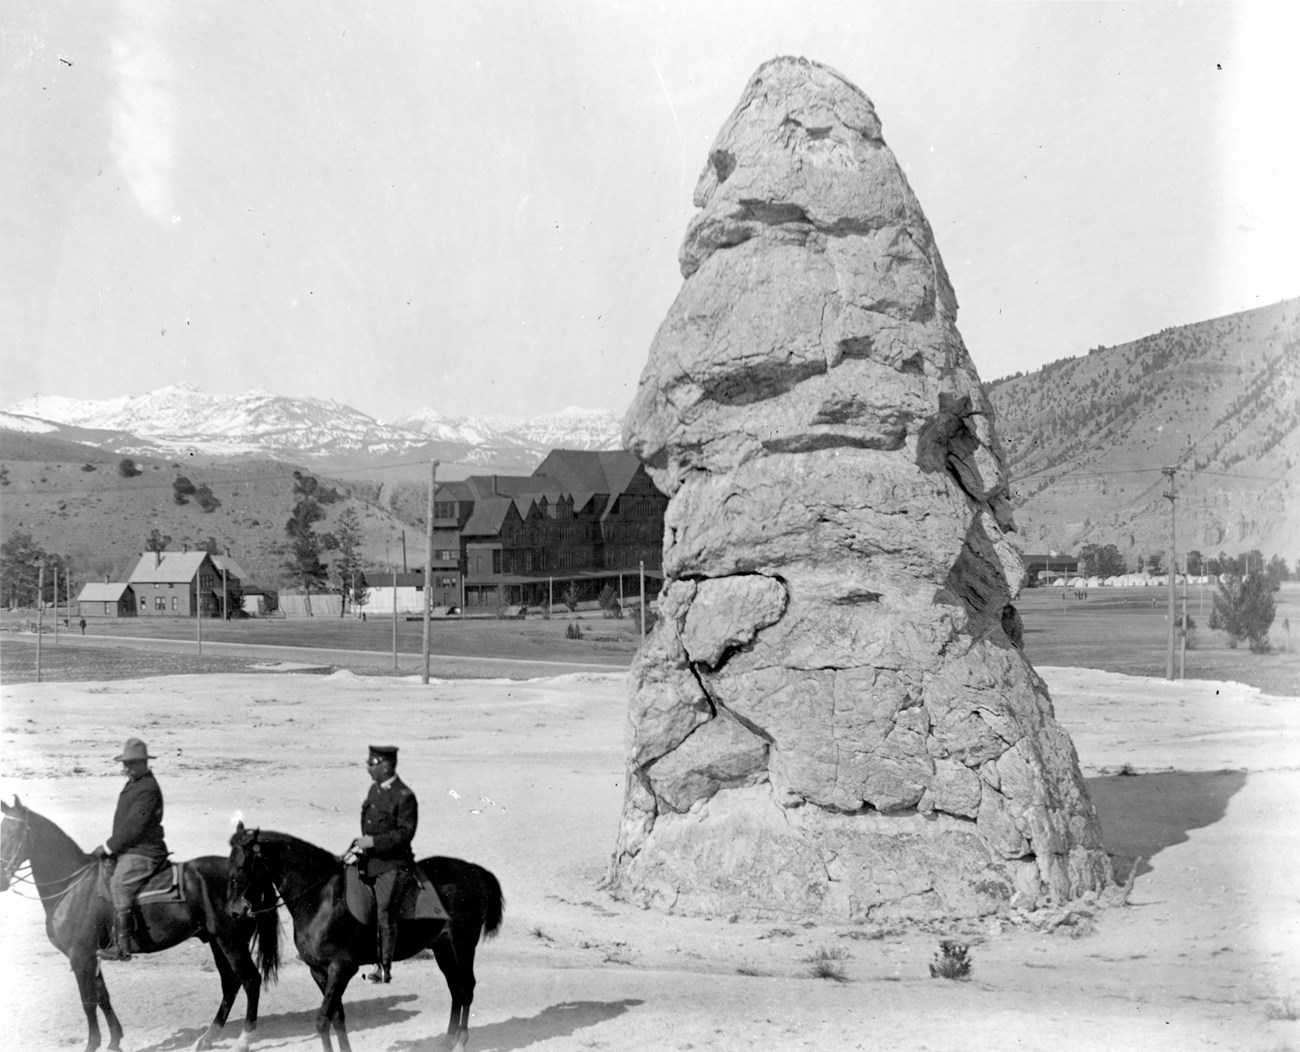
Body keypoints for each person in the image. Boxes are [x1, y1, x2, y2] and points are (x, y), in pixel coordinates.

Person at [92, 737, 168, 961]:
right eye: (125, 763)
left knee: (119, 883)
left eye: (132, 763)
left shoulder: (148, 789)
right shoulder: (136, 784)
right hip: (130, 848)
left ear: (144, 762)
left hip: (144, 851)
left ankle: (122, 945)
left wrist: (108, 846)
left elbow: (135, 826)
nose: (126, 768)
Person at [350, 744, 418, 984]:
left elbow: (405, 833)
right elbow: (367, 819)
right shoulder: (374, 790)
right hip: (370, 859)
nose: (368, 768)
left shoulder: (405, 796)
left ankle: (384, 966)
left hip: (394, 864)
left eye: (372, 764)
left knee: (384, 909)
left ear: (386, 766)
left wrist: (374, 842)